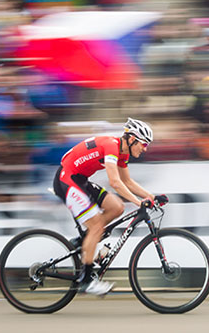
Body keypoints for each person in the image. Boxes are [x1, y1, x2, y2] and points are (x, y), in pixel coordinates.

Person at [52, 118, 157, 296]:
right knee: (97, 226)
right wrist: (139, 203)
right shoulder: (111, 146)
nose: (144, 148)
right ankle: (86, 281)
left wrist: (151, 196)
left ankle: (86, 240)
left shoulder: (123, 153)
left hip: (80, 180)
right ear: (131, 139)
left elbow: (127, 181)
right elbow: (115, 183)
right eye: (143, 144)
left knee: (117, 207)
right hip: (66, 179)